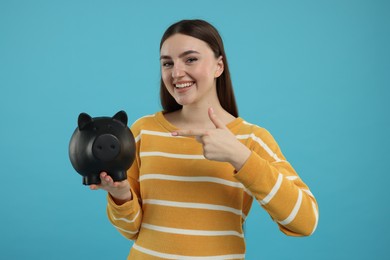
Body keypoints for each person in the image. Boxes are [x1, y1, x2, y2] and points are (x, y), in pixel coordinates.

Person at [90, 19, 319, 259]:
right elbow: (131, 230)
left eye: (190, 59)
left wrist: (240, 157)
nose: (176, 73)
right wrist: (120, 194)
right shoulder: (143, 131)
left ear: (219, 66)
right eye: (167, 63)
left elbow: (305, 222)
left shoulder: (251, 139)